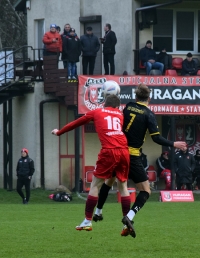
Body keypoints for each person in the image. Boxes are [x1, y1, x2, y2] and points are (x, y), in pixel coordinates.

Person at [94, 84, 187, 238]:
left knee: (108, 182)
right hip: (133, 156)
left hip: (118, 151)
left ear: (136, 97)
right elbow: (156, 137)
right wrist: (173, 143)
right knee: (145, 190)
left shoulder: (129, 106)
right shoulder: (149, 114)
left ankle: (98, 212)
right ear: (149, 98)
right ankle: (129, 217)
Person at [51, 95, 132, 232]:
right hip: (124, 151)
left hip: (109, 151)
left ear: (104, 103)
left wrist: (59, 132)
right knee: (123, 186)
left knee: (95, 185)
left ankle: (87, 220)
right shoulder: (120, 114)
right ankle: (126, 222)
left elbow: (76, 123)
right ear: (117, 106)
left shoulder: (97, 112)